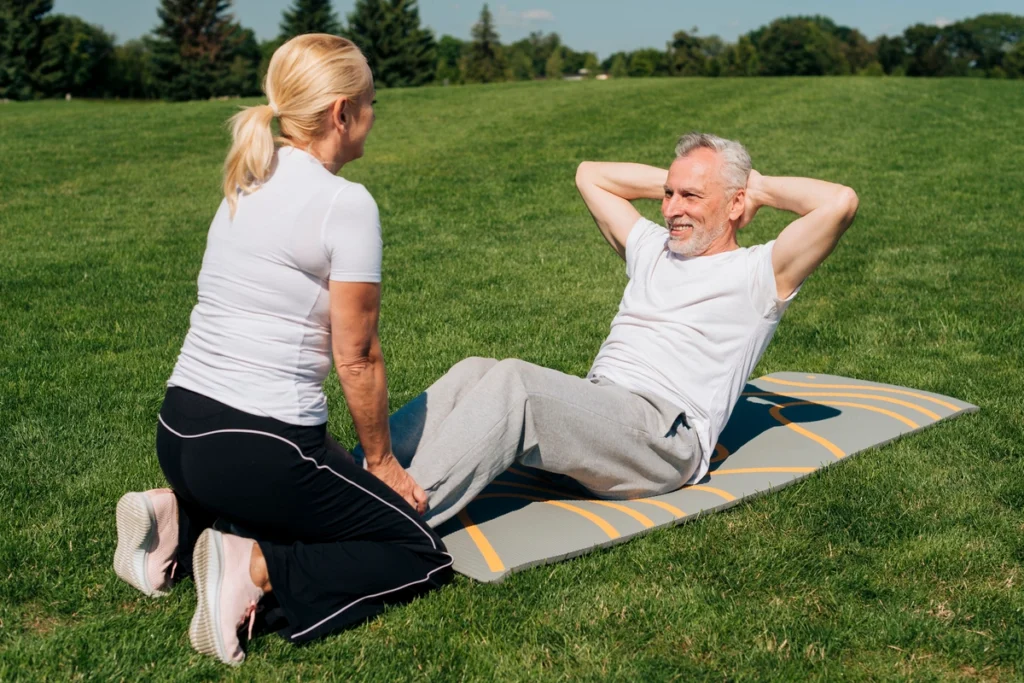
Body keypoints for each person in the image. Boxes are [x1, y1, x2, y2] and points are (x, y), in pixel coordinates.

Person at [112, 34, 452, 666]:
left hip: (179, 433)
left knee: (304, 494)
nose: (375, 118)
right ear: (342, 112)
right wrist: (382, 464)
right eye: (372, 104)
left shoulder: (248, 179)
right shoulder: (344, 203)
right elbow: (358, 355)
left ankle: (177, 522)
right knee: (416, 550)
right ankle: (253, 567)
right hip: (258, 449)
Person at [382, 132, 859, 527]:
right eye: (668, 195)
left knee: (517, 385)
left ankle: (393, 515)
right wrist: (685, 180)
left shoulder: (759, 273)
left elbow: (839, 202)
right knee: (474, 372)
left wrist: (755, 188)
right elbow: (590, 174)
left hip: (663, 439)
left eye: (691, 197)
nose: (671, 209)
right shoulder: (654, 247)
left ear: (735, 204)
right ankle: (358, 472)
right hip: (606, 411)